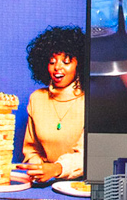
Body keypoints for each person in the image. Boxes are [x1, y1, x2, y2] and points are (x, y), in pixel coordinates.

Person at [22, 26, 87, 182]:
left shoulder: (91, 100)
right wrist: (37, 168)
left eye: (66, 61)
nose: (57, 67)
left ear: (79, 65)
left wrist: (56, 169)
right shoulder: (37, 99)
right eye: (52, 62)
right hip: (46, 184)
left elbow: (88, 154)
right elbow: (31, 150)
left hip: (83, 186)